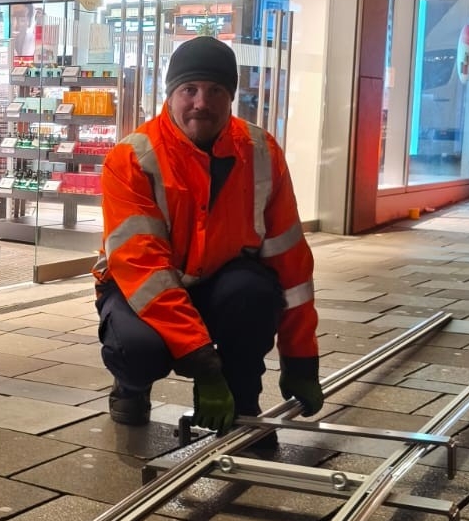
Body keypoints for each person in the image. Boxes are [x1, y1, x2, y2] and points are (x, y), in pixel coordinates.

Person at [92, 34, 323, 440]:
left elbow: (290, 260)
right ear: (170, 94)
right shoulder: (132, 158)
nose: (202, 102)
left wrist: (301, 358)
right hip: (142, 289)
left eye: (216, 90)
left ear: (231, 97)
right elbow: (144, 270)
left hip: (222, 281)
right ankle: (131, 387)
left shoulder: (261, 151)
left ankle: (243, 402)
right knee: (137, 349)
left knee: (254, 294)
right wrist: (204, 366)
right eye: (190, 89)